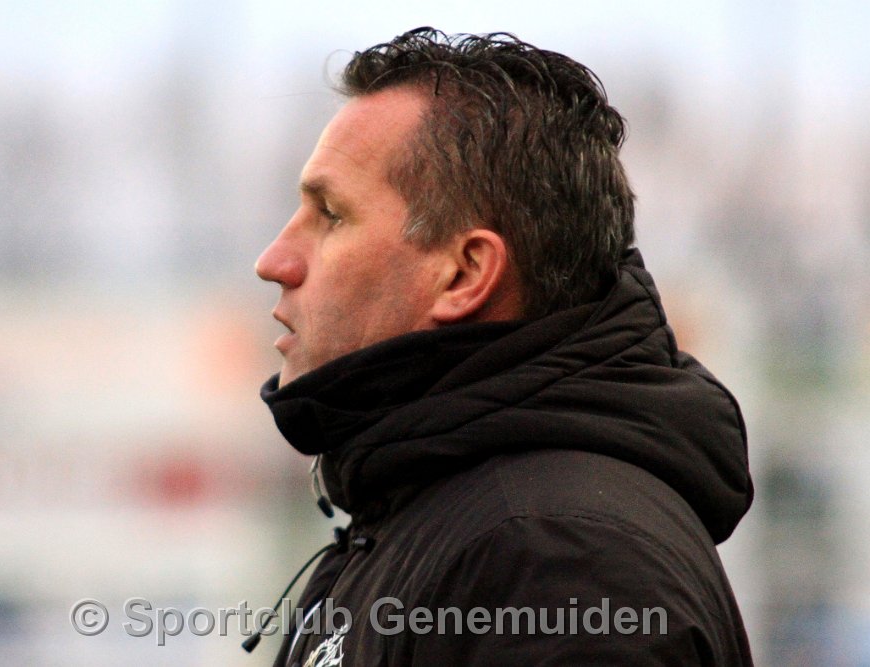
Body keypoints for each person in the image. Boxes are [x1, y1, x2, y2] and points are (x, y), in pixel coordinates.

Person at [252, 27, 753, 666]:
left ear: (465, 274)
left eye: (331, 215)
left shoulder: (554, 559)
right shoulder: (437, 521)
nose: (274, 261)